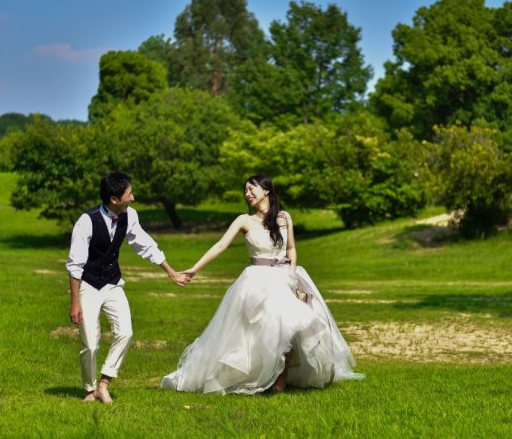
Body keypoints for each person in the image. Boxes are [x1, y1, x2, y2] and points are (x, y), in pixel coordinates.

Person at [161, 174, 363, 394]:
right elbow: (220, 246)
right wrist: (195, 268)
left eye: (251, 189)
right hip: (257, 280)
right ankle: (263, 374)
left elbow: (291, 248)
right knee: (261, 331)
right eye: (245, 191)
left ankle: (281, 378)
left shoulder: (285, 217)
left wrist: (291, 273)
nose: (247, 194)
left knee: (292, 325)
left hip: (285, 276)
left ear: (266, 190)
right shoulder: (244, 220)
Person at [67, 171, 191, 403]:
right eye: (129, 194)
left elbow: (145, 245)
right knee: (91, 343)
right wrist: (75, 302)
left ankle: (104, 383)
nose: (133, 198)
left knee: (125, 332)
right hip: (89, 284)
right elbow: (75, 265)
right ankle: (89, 390)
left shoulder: (129, 215)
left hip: (113, 283)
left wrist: (171, 271)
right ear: (114, 199)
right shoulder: (87, 220)